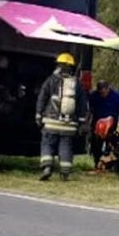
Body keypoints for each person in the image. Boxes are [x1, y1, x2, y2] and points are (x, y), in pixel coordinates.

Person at [35, 53, 89, 181]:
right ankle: (65, 172)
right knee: (66, 146)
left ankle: (47, 167)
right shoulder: (77, 84)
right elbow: (82, 105)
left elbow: (42, 97)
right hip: (69, 124)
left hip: (50, 122)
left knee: (47, 144)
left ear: (58, 65)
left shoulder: (50, 80)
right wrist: (82, 122)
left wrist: (38, 114)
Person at [88, 81, 119, 168]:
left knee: (111, 144)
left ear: (108, 88)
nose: (102, 95)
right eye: (100, 92)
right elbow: (90, 109)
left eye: (103, 92)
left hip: (112, 125)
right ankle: (97, 161)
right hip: (97, 124)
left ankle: (110, 163)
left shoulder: (116, 97)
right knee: (96, 144)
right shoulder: (94, 96)